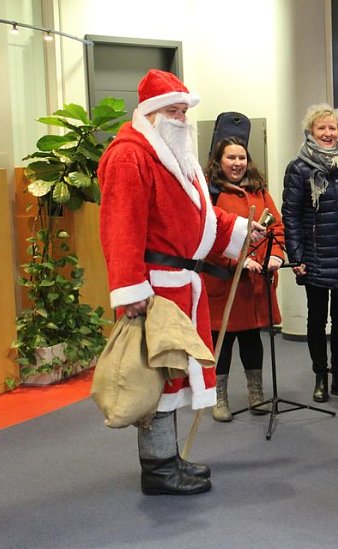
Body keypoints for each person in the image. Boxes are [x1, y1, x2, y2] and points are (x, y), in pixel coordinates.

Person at [97, 69, 262, 495]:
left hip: (179, 285)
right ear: (151, 114)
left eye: (184, 111)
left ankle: (168, 458)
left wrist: (239, 230)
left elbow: (196, 217)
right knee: (157, 377)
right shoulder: (129, 155)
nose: (181, 119)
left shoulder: (172, 155)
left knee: (173, 375)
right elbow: (120, 227)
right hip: (154, 288)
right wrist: (131, 291)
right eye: (173, 111)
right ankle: (157, 468)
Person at [282, 103, 338, 403]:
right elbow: (291, 216)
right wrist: (296, 256)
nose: (328, 133)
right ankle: (320, 376)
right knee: (317, 320)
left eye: (332, 127)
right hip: (315, 257)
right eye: (321, 127)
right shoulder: (299, 168)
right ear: (310, 131)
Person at [203, 137, 285, 422]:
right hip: (223, 282)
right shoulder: (209, 193)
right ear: (218, 161)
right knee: (222, 342)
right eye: (231, 158)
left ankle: (256, 394)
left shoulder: (259, 190)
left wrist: (275, 255)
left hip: (254, 283)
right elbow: (205, 236)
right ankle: (218, 398)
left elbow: (277, 227)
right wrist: (236, 260)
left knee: (252, 338)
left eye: (242, 158)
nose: (237, 163)